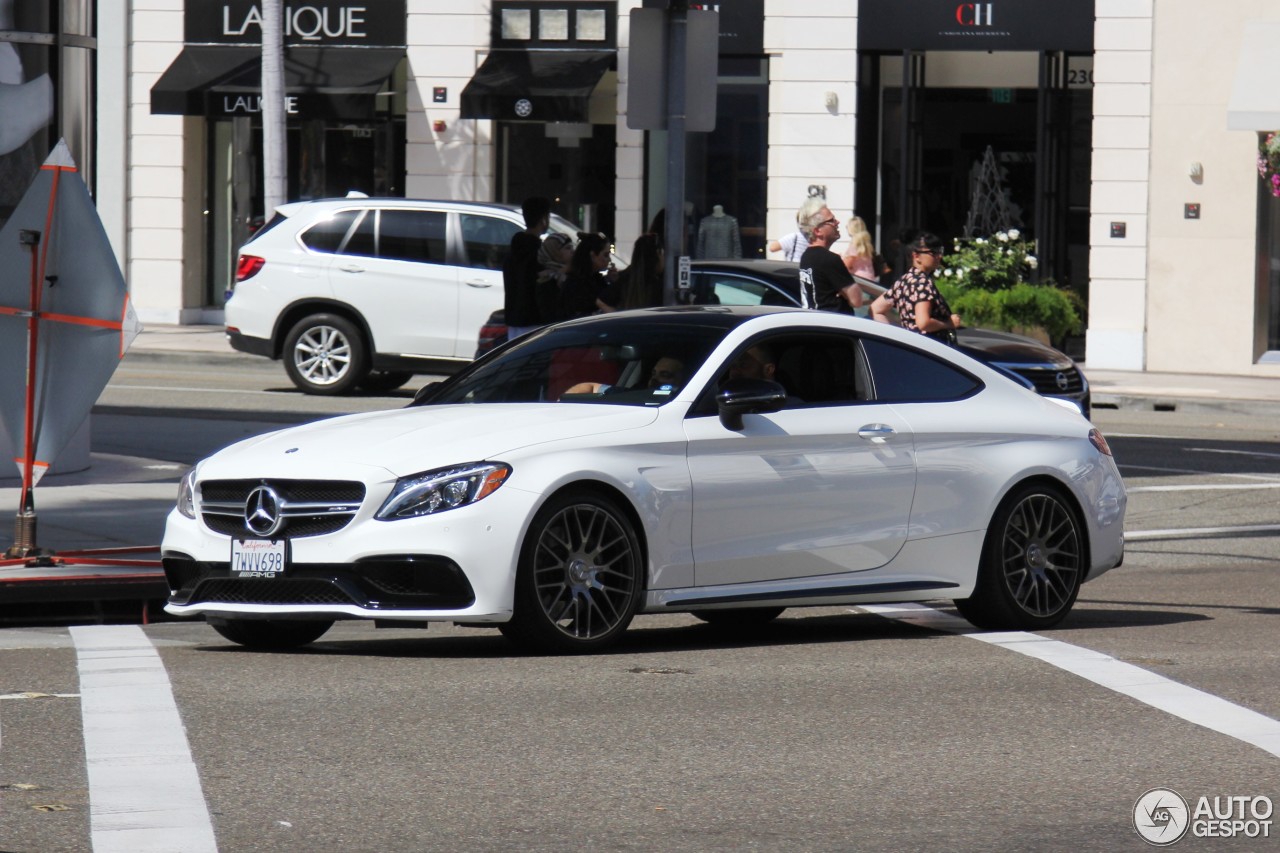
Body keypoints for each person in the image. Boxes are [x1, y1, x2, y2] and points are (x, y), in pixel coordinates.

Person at [870, 232, 963, 344]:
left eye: (940, 251)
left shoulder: (904, 280)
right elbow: (923, 323)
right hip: (931, 349)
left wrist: (893, 337)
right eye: (933, 252)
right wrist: (948, 324)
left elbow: (875, 309)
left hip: (913, 347)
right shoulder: (922, 283)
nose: (939, 256)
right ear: (916, 256)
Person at [796, 198, 862, 312]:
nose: (837, 222)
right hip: (834, 325)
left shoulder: (806, 257)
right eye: (831, 220)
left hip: (816, 321)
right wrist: (844, 294)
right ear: (817, 231)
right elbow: (856, 300)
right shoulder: (829, 259)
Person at [503, 196, 551, 338]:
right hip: (536, 322)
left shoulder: (512, 252)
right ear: (543, 219)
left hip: (514, 321)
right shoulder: (541, 254)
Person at [558, 231, 616, 320]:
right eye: (605, 255)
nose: (609, 259)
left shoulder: (597, 279)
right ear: (592, 255)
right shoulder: (576, 284)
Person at [613, 233, 664, 309]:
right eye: (663, 254)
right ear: (657, 254)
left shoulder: (626, 277)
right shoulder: (659, 284)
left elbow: (602, 301)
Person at [533, 231, 574, 323]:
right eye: (568, 248)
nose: (572, 251)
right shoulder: (545, 279)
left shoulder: (572, 273)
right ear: (554, 251)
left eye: (572, 247)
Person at [842, 215, 887, 283]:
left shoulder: (854, 246)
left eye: (847, 226)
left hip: (859, 281)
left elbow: (845, 266)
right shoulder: (866, 244)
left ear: (852, 229)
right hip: (870, 279)